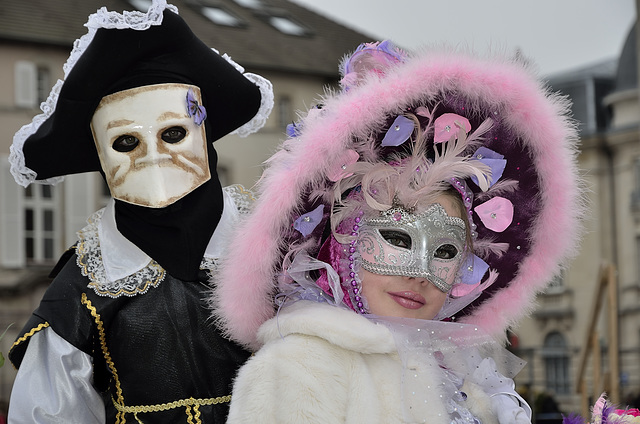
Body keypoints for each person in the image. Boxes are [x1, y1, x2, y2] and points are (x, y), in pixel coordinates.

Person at [210, 41, 583, 423]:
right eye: (398, 238)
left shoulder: (465, 378)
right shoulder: (299, 370)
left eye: (445, 252)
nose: (419, 274)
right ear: (340, 247)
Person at [7, 1, 273, 422]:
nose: (152, 157)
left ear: (202, 135)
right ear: (100, 155)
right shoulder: (84, 287)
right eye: (126, 142)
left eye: (173, 133)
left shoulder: (283, 248)